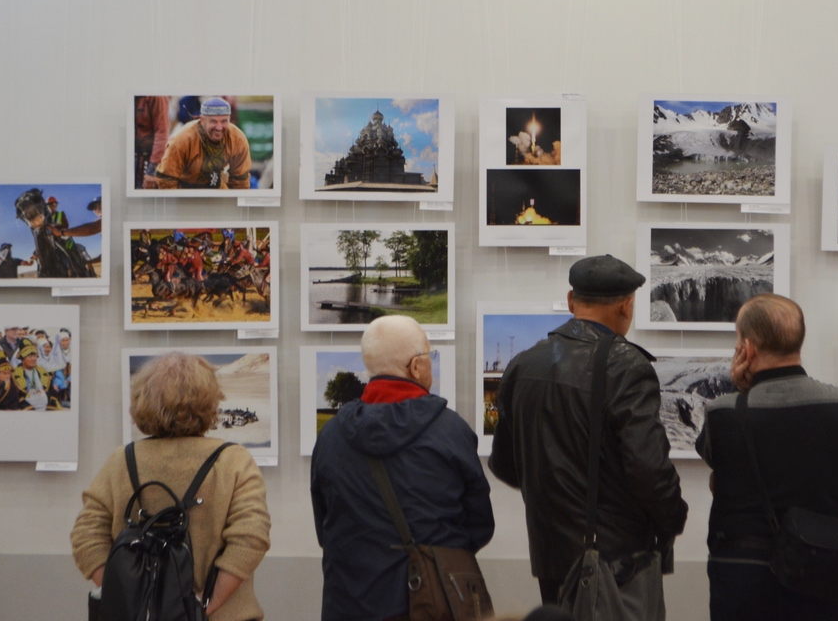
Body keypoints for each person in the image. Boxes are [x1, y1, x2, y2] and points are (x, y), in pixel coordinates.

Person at [490, 254, 688, 617]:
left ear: (571, 300)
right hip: (616, 565)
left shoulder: (522, 364)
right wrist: (674, 517)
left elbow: (504, 464)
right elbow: (648, 468)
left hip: (551, 559)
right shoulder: (626, 365)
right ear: (627, 306)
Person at [311, 316, 493, 621]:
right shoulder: (451, 430)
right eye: (430, 355)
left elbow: (325, 526)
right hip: (433, 603)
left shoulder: (330, 436)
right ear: (416, 367)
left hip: (349, 601)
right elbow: (480, 524)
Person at [695, 294, 838, 621]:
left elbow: (719, 476)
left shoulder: (721, 413)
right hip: (821, 571)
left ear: (748, 348)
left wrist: (743, 392)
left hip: (743, 574)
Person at [71, 352, 271, 620]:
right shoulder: (233, 461)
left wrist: (127, 595)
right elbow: (251, 537)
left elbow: (86, 535)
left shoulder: (121, 461)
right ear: (210, 402)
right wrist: (207, 605)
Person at [151, 97, 253, 189]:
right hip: (184, 188)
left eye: (224, 121)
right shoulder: (182, 139)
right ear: (202, 120)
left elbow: (241, 181)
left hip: (216, 186)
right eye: (213, 121)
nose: (219, 127)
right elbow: (166, 179)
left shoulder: (237, 139)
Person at [134, 95, 170, 187]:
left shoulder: (157, 97)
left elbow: (162, 133)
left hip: (149, 160)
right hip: (135, 159)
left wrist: (152, 170)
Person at [12, 340, 58, 411]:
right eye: (30, 356)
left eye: (35, 356)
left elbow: (52, 393)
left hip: (47, 409)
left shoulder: (43, 372)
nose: (34, 359)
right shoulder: (14, 375)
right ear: (22, 359)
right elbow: (15, 397)